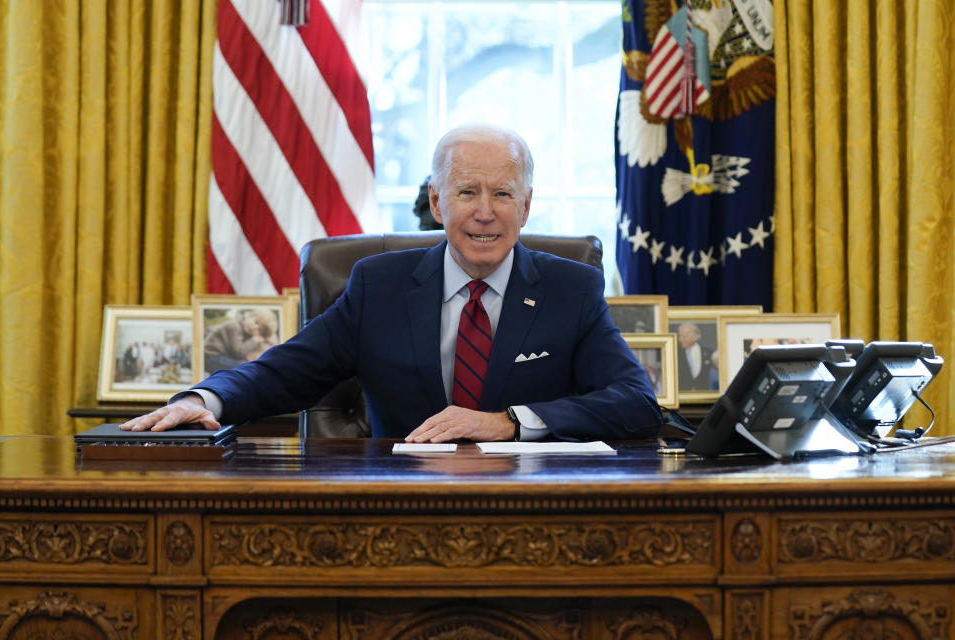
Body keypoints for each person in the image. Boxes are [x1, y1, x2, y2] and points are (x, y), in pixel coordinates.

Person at [121, 124, 662, 442]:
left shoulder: (572, 289)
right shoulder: (379, 286)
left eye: (503, 194)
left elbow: (636, 403)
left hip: (532, 509)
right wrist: (207, 399)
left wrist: (510, 423)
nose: (485, 213)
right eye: (467, 192)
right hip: (397, 506)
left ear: (526, 205)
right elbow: (282, 372)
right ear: (436, 202)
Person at [202, 308, 280, 373]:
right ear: (250, 316)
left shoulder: (245, 332)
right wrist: (255, 340)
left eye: (259, 330)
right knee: (245, 367)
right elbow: (238, 352)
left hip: (220, 357)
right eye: (256, 322)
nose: (254, 327)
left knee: (245, 365)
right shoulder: (234, 327)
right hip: (210, 357)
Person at [676, 322, 717, 391]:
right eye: (680, 336)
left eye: (684, 336)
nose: (680, 339)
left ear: (696, 336)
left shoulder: (710, 353)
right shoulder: (676, 354)